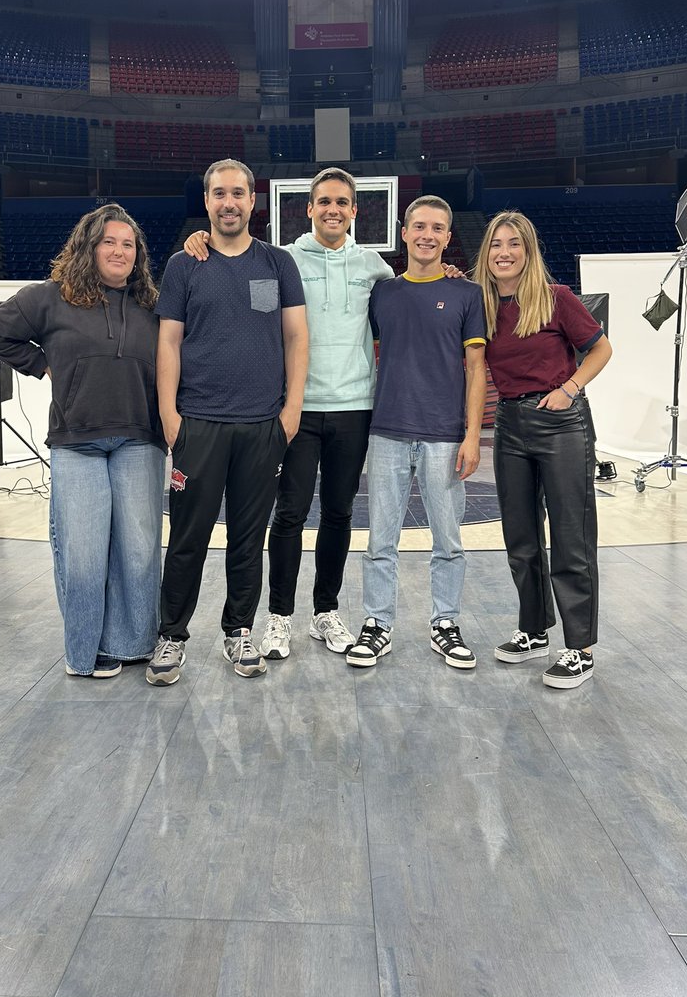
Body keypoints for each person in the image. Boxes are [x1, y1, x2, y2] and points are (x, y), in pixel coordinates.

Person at [183, 166, 393, 660]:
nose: (333, 210)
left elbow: (412, 289)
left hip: (354, 407)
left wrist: (450, 274)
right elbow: (235, 264)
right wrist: (200, 239)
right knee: (290, 514)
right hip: (296, 410)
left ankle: (326, 611)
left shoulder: (373, 266)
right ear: (309, 208)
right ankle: (279, 617)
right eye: (324, 201)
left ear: (355, 210)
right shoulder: (283, 259)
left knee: (340, 513)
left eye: (342, 202)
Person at [0, 203, 166, 679]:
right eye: (109, 242)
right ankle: (86, 651)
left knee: (139, 550)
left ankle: (133, 643)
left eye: (128, 244)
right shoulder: (50, 298)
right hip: (76, 441)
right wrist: (42, 364)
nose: (119, 251)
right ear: (89, 247)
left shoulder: (152, 305)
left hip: (140, 438)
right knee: (83, 553)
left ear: (138, 254)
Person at [146, 158, 308, 686]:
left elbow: (296, 338)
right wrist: (170, 416)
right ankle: (172, 634)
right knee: (187, 538)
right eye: (219, 193)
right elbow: (168, 342)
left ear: (253, 200)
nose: (229, 202)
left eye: (238, 193)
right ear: (207, 200)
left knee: (247, 539)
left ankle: (238, 631)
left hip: (262, 426)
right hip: (198, 424)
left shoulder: (279, 263)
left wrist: (291, 411)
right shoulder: (183, 264)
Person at [473, 210, 612, 689]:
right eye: (496, 244)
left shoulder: (557, 298)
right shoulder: (481, 303)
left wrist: (569, 389)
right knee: (521, 537)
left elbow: (602, 349)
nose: (504, 252)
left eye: (514, 243)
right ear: (486, 253)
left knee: (572, 537)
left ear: (529, 251)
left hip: (561, 424)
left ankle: (580, 648)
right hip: (509, 424)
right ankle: (534, 631)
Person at [348, 195, 487, 669]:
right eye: (420, 226)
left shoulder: (467, 294)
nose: (428, 235)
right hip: (387, 430)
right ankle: (377, 624)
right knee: (379, 541)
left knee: (448, 540)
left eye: (438, 228)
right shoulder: (381, 293)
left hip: (444, 435)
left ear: (448, 238)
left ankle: (445, 623)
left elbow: (476, 368)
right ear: (403, 232)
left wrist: (472, 435)